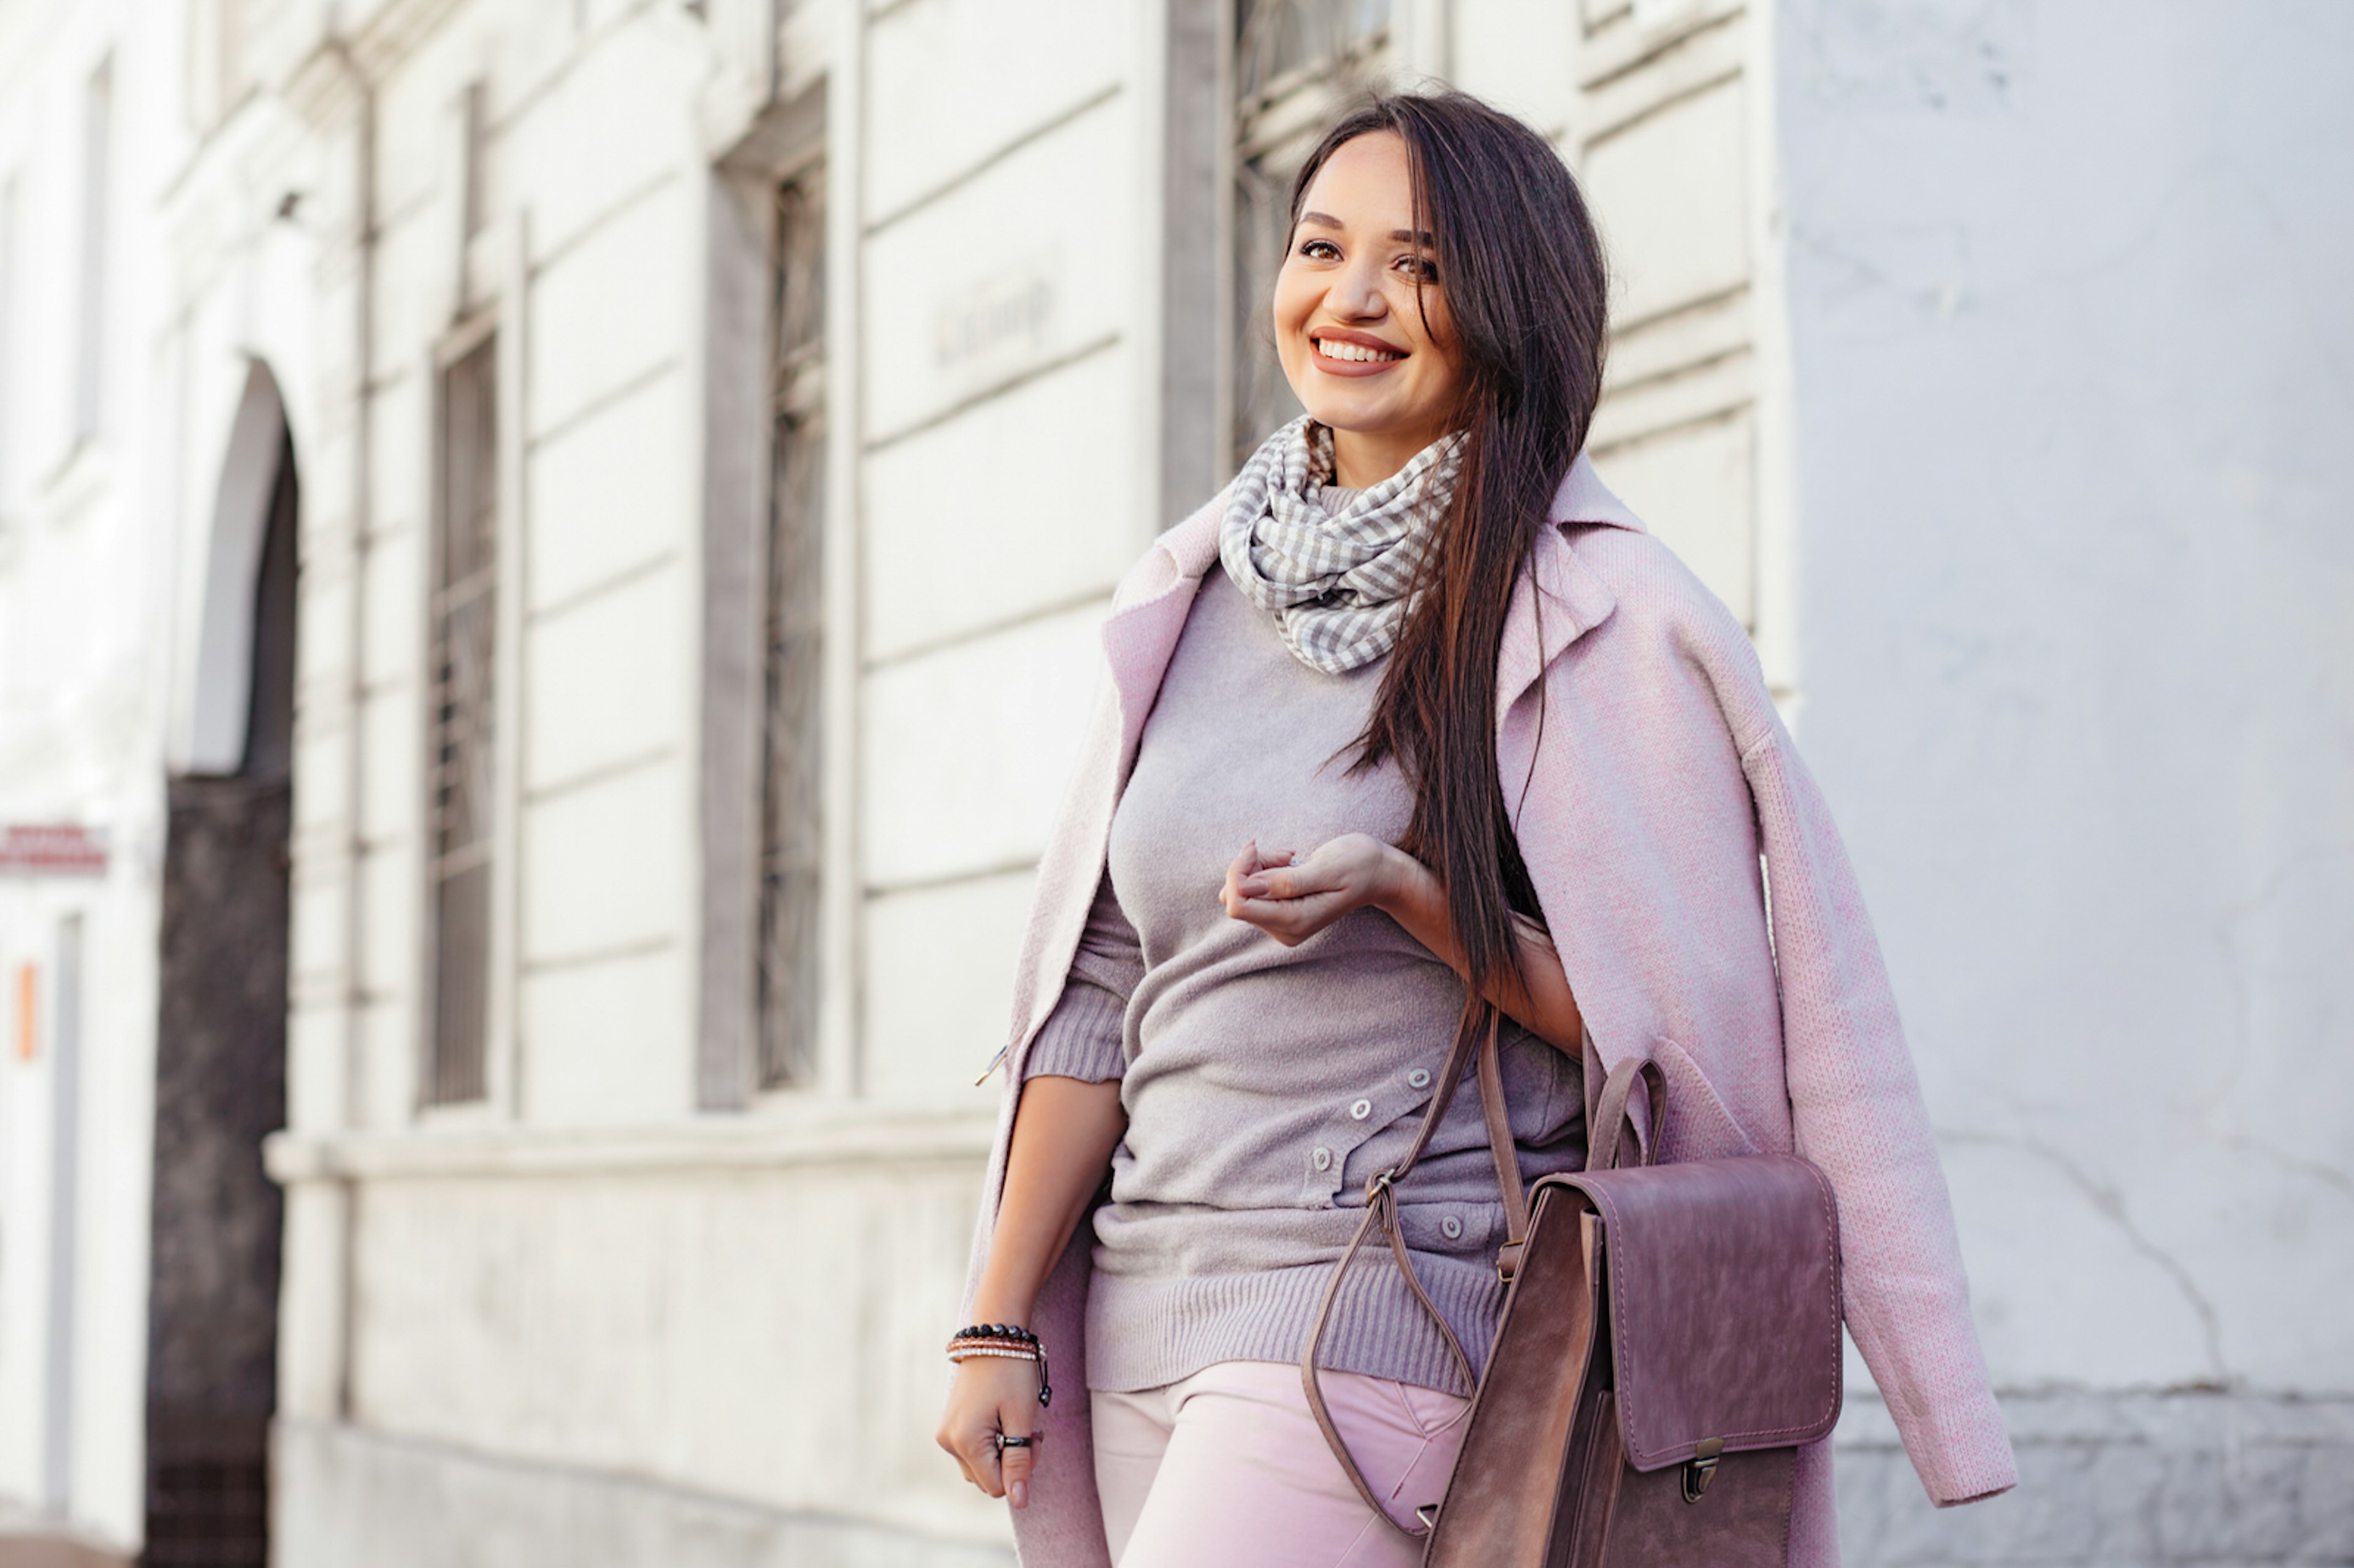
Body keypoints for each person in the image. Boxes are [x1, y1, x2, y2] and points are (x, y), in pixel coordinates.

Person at [937, 91, 2015, 1568]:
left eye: (1422, 265)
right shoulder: (1193, 594)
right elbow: (1102, 989)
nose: (1355, 298)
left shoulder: (1597, 617)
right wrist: (995, 1315)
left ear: (1506, 302)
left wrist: (1415, 896)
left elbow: (1669, 1043)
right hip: (1139, 1303)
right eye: (1322, 246)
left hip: (1379, 1315)